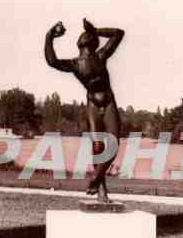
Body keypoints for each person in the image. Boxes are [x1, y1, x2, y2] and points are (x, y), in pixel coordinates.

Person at [44, 18, 124, 202]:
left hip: (109, 103)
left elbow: (118, 33)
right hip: (93, 105)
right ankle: (101, 190)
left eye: (87, 35)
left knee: (113, 145)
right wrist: (50, 35)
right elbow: (51, 60)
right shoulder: (74, 64)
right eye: (85, 34)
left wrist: (97, 29)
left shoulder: (101, 55)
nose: (84, 36)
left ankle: (96, 178)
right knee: (98, 147)